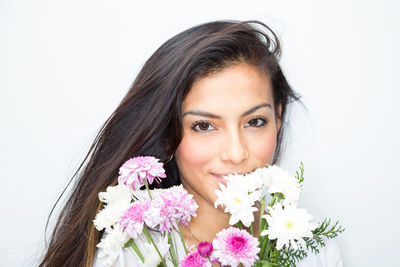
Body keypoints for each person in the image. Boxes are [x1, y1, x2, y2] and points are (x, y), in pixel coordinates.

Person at [39, 20, 343, 266]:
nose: (236, 153)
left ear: (277, 117)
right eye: (204, 126)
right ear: (168, 133)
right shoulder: (128, 255)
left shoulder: (314, 249)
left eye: (254, 122)